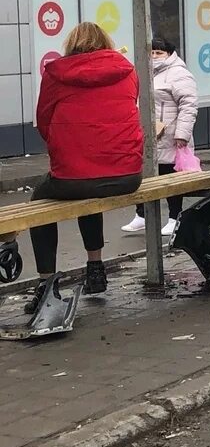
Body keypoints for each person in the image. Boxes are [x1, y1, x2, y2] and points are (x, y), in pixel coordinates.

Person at [28, 23, 143, 305]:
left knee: (39, 202)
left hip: (73, 178)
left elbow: (43, 121)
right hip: (127, 175)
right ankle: (95, 270)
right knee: (91, 189)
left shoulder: (56, 74)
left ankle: (46, 285)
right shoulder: (126, 70)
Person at [122, 36, 199, 238]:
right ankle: (141, 214)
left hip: (171, 134)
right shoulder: (146, 72)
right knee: (144, 174)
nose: (155, 56)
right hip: (151, 134)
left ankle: (174, 218)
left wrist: (182, 134)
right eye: (152, 52)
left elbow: (188, 105)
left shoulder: (179, 74)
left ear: (169, 54)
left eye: (159, 53)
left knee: (169, 177)